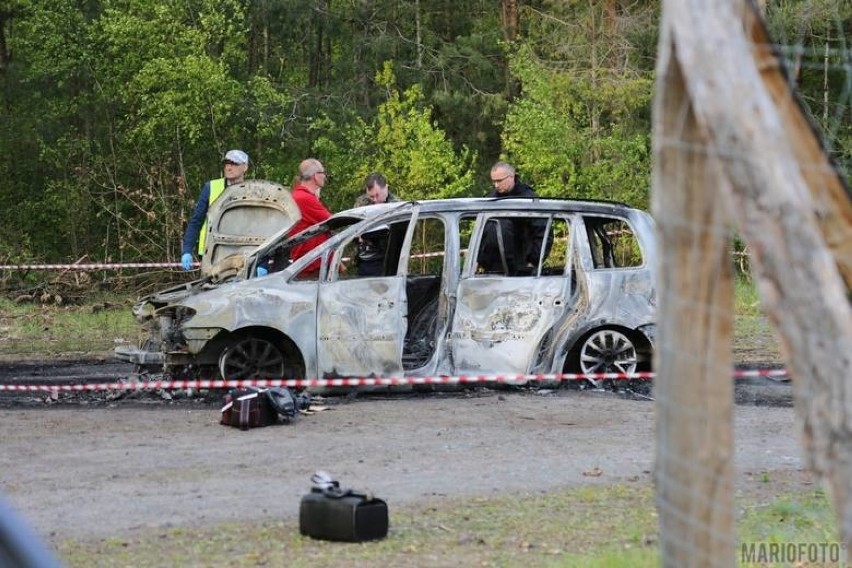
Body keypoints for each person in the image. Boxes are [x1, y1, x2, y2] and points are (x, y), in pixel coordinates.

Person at [181, 149, 250, 271]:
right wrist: (187, 250)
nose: (229, 167)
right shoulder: (211, 187)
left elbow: (258, 228)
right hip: (211, 254)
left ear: (245, 167)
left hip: (242, 255)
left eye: (234, 164)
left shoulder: (253, 191)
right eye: (227, 164)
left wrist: (262, 263)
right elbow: (196, 221)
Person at [478, 161, 551, 275]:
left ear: (511, 177)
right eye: (494, 181)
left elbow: (544, 232)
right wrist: (479, 259)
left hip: (520, 267)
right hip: (491, 268)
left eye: (499, 181)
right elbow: (481, 231)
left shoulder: (528, 199)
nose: (496, 185)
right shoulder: (490, 199)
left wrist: (533, 261)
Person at [288, 158, 333, 275]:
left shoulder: (299, 196)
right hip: (311, 265)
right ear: (315, 176)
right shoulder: (304, 198)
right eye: (323, 173)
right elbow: (333, 221)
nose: (324, 176)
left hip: (310, 263)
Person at [353, 172, 399, 276]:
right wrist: (358, 236)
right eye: (371, 196)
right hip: (365, 260)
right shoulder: (361, 203)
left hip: (388, 261)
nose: (375, 200)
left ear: (386, 188)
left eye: (377, 195)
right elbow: (352, 228)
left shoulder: (397, 206)